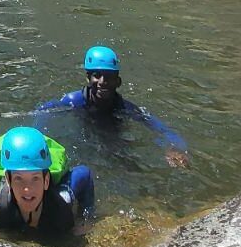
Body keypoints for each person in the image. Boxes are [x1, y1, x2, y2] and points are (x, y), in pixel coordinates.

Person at [37, 45, 189, 168]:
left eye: (109, 76)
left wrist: (172, 147)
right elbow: (43, 112)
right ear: (88, 78)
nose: (103, 81)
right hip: (84, 134)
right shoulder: (73, 101)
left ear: (118, 82)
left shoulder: (126, 108)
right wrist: (40, 141)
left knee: (128, 165)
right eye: (97, 75)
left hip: (113, 132)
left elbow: (161, 128)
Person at [0, 127, 93, 242]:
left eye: (35, 179)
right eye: (19, 179)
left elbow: (84, 174)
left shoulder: (63, 200)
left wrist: (85, 219)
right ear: (8, 179)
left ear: (46, 180)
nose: (27, 189)